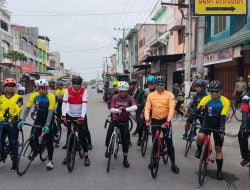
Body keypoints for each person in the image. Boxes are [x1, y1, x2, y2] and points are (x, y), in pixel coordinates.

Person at [195, 80, 230, 180]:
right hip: (207, 122)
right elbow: (199, 108)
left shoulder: (225, 101)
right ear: (210, 90)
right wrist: (198, 110)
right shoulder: (205, 99)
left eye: (217, 91)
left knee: (218, 148)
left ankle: (219, 171)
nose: (214, 93)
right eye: (212, 91)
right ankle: (199, 149)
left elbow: (223, 116)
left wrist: (222, 129)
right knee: (200, 136)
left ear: (220, 91)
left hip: (218, 124)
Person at [144, 76, 179, 174]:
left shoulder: (170, 95)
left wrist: (168, 121)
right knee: (155, 142)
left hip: (165, 120)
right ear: (155, 85)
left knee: (169, 142)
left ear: (164, 85)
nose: (159, 87)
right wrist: (147, 119)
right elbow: (147, 108)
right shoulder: (151, 95)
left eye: (161, 85)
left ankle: (173, 164)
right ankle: (154, 161)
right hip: (155, 120)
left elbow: (172, 109)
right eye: (158, 85)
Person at [21, 79, 56, 170]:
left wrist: (47, 125)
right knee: (33, 137)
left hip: (48, 120)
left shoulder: (51, 97)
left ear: (47, 88)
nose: (41, 90)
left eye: (43, 88)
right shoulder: (34, 95)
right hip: (38, 119)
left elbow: (50, 112)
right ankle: (35, 151)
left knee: (49, 142)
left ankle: (50, 161)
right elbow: (27, 108)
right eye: (39, 88)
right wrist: (22, 119)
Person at [105, 81, 137, 168]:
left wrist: (125, 109)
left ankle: (125, 159)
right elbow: (111, 108)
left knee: (125, 141)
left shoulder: (129, 98)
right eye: (121, 91)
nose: (123, 93)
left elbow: (135, 107)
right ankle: (108, 149)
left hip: (124, 122)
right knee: (108, 136)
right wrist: (117, 110)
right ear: (118, 90)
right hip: (114, 120)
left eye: (125, 91)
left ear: (127, 91)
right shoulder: (114, 97)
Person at [61, 76, 90, 166]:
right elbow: (64, 103)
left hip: (80, 116)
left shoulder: (84, 90)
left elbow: (84, 104)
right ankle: (68, 156)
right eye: (74, 84)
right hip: (70, 115)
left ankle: (86, 156)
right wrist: (63, 115)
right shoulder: (67, 90)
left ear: (81, 85)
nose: (76, 86)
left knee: (82, 136)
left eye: (78, 84)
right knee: (70, 135)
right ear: (72, 84)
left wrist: (82, 117)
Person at [0, 78, 23, 171]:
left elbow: (19, 109)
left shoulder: (18, 98)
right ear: (5, 87)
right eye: (8, 85)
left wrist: (15, 118)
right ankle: (3, 154)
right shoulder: (1, 98)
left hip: (12, 124)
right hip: (1, 123)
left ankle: (15, 163)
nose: (11, 87)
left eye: (13, 86)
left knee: (13, 144)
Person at [137, 75, 156, 146]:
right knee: (140, 125)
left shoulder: (158, 91)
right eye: (149, 84)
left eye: (152, 84)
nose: (150, 85)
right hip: (146, 111)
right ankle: (140, 138)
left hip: (156, 112)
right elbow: (139, 101)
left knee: (156, 128)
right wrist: (139, 108)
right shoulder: (144, 91)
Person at [238, 83, 250, 166]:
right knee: (241, 135)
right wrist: (244, 125)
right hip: (248, 120)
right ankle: (246, 157)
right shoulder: (246, 98)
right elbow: (245, 112)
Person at [54, 80, 65, 148]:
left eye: (60, 85)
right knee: (58, 118)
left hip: (64, 105)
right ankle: (58, 125)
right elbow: (55, 100)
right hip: (59, 106)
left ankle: (64, 121)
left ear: (63, 85)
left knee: (64, 118)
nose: (59, 86)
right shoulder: (56, 91)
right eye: (58, 85)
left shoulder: (65, 91)